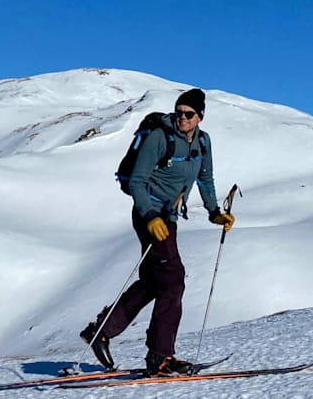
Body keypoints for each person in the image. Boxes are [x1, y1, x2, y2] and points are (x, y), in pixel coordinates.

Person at [80, 88, 236, 376]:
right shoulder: (159, 138)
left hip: (169, 219)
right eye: (178, 112)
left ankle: (100, 331)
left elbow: (205, 178)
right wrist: (150, 216)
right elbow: (137, 181)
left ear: (200, 116)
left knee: (155, 281)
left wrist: (215, 212)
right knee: (173, 280)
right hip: (148, 215)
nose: (182, 118)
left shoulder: (203, 141)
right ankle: (160, 357)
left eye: (188, 114)